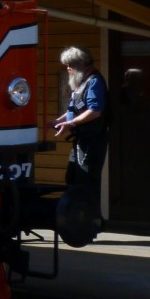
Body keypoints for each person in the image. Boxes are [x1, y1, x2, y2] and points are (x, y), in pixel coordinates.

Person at [52, 46, 109, 210]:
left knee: (86, 181)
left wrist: (71, 123)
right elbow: (74, 110)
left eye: (70, 65)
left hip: (92, 141)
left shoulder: (94, 82)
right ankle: (76, 216)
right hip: (80, 140)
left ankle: (90, 218)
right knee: (72, 177)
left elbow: (94, 111)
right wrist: (58, 121)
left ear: (81, 64)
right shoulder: (81, 84)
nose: (68, 69)